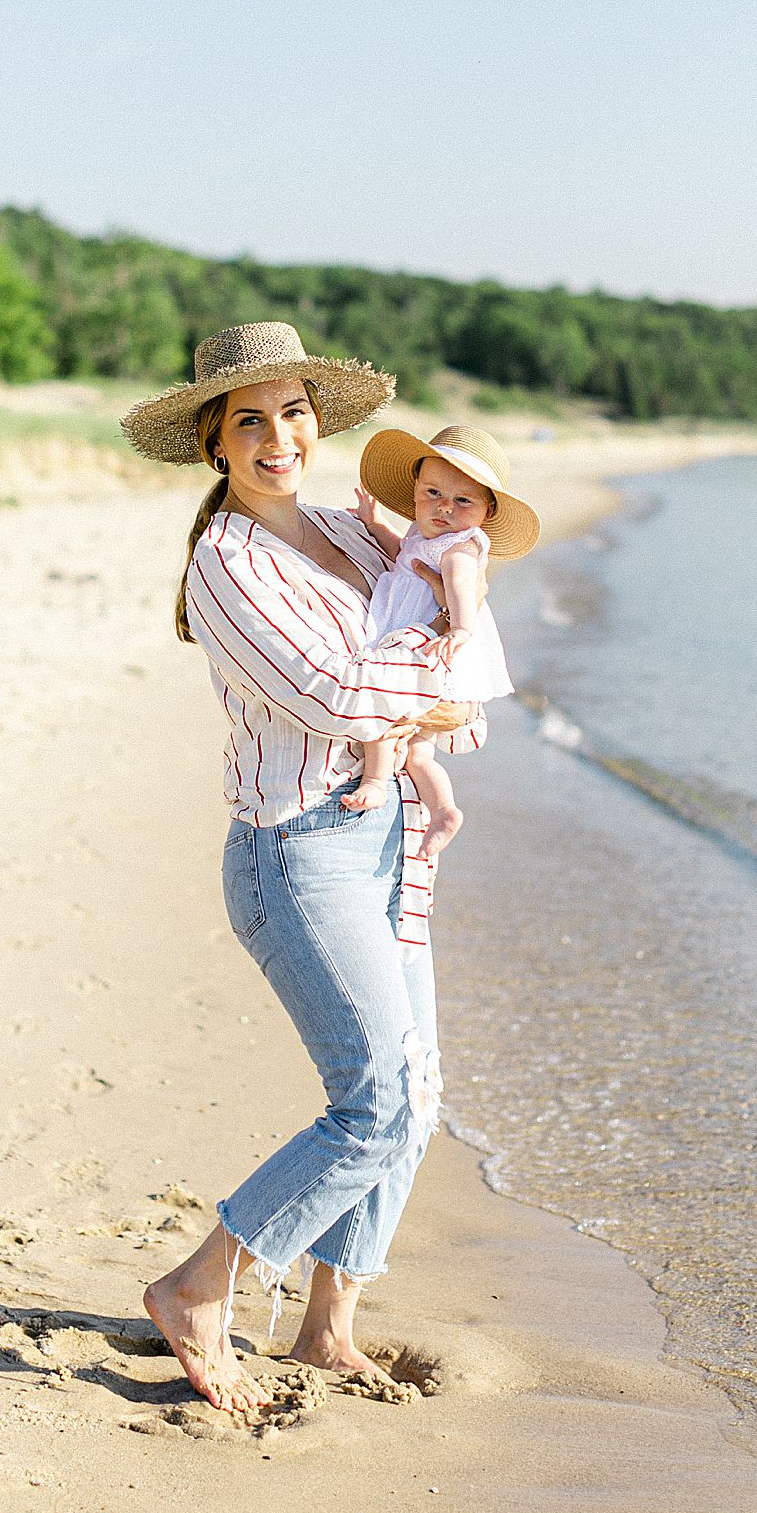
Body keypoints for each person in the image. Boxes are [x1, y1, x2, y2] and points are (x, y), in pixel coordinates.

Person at [120, 321, 486, 1412]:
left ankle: (327, 1327)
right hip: (295, 856)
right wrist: (433, 685)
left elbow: (443, 649)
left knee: (415, 1100)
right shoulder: (227, 564)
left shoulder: (352, 533)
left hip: (381, 844)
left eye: (292, 413)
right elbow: (337, 696)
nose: (278, 436)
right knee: (373, 1100)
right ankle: (198, 1286)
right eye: (249, 420)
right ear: (213, 444)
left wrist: (433, 681)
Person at [342, 426, 540, 858]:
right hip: (428, 635)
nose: (444, 507)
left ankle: (375, 782)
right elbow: (404, 554)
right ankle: (444, 810)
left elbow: (461, 584)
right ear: (415, 490)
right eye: (432, 493)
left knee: (384, 709)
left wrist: (461, 630)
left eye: (462, 501)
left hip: (432, 642)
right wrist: (375, 524)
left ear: (486, 511)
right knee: (418, 753)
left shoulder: (460, 548)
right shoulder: (424, 533)